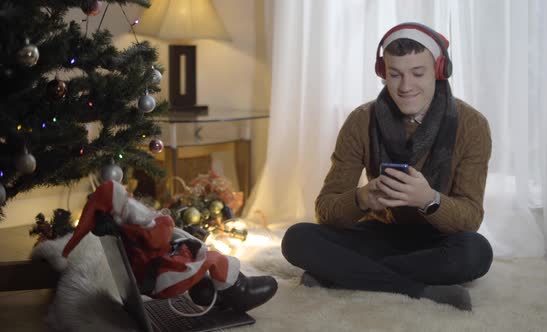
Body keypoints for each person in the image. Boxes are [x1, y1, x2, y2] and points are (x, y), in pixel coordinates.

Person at [281, 22, 493, 311]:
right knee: (297, 239)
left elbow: (470, 218)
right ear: (383, 73)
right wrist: (362, 198)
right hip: (378, 234)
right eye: (395, 74)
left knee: (476, 252)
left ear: (440, 71)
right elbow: (326, 210)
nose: (405, 87)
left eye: (418, 73)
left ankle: (341, 275)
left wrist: (429, 201)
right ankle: (416, 288)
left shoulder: (472, 125)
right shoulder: (361, 120)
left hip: (438, 240)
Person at [62, 179, 278, 312]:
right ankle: (241, 291)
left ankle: (212, 295)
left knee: (198, 256)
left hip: (155, 273)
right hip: (161, 279)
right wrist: (165, 222)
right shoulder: (135, 227)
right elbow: (159, 238)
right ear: (120, 206)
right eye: (125, 197)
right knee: (213, 258)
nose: (130, 197)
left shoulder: (125, 226)